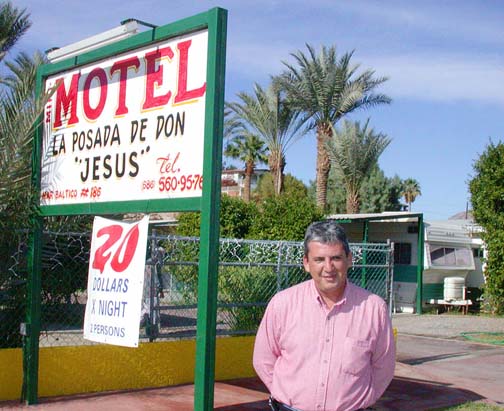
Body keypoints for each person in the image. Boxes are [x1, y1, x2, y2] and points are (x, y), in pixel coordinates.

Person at [253, 220, 395, 411]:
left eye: (336, 258)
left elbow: (383, 368)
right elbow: (263, 360)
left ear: (349, 259)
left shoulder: (374, 309)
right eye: (319, 259)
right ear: (306, 263)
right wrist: (285, 396)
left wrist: (360, 402)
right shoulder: (282, 304)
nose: (328, 268)